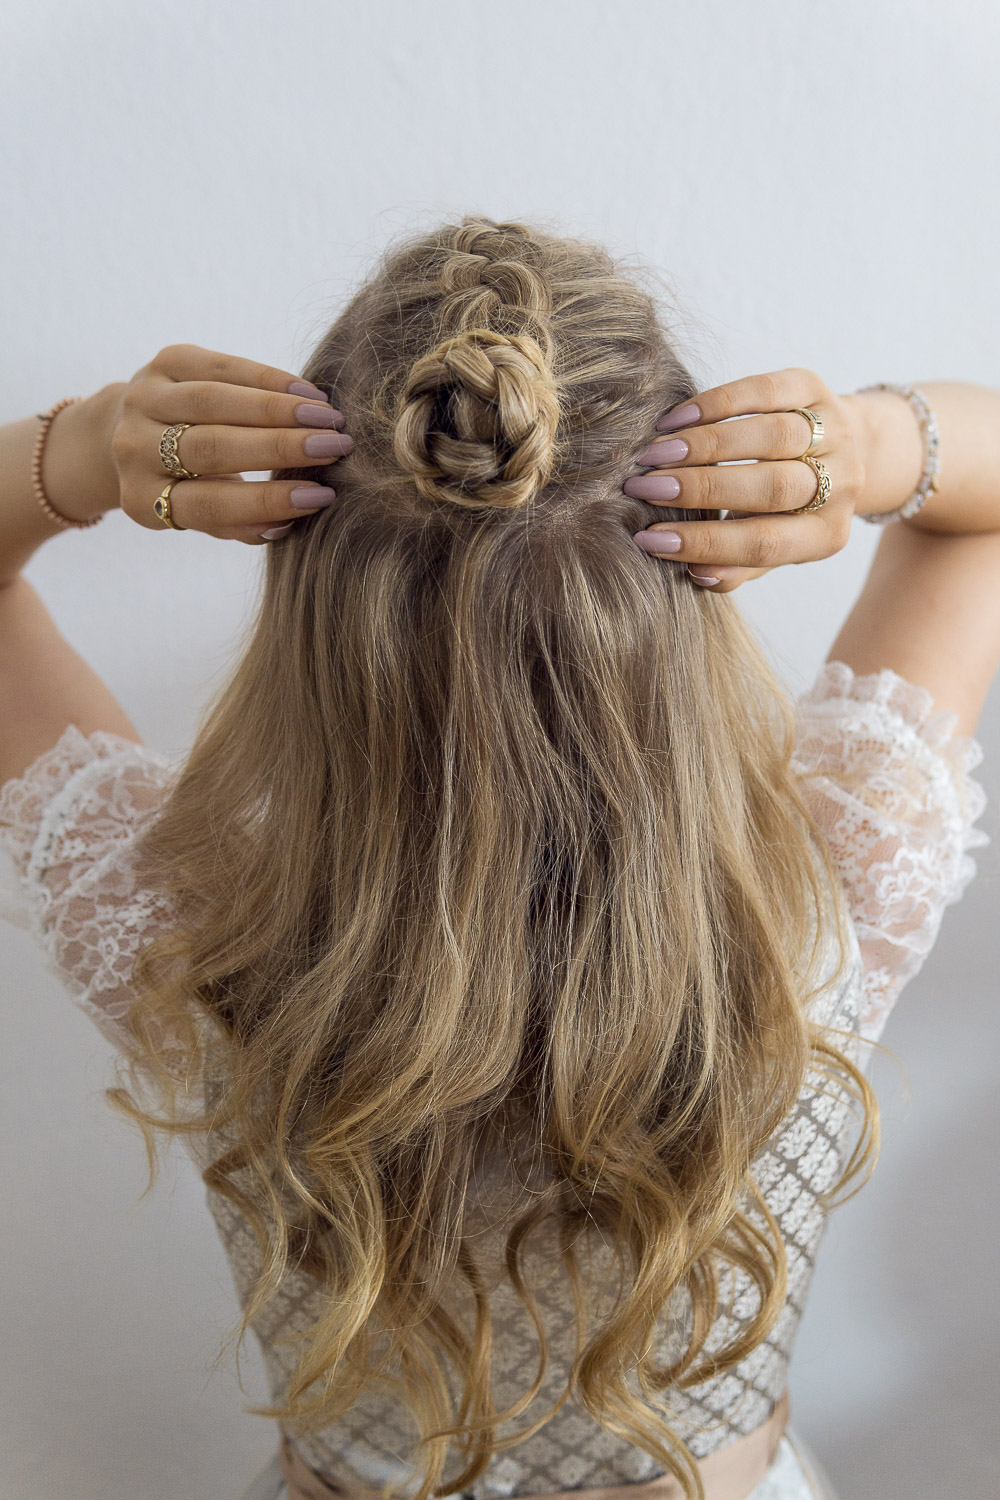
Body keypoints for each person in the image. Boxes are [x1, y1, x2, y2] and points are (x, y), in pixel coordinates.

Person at [0, 216, 994, 1500]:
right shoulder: (832, 890)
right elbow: (972, 520)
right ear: (688, 577)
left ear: (306, 606)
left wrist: (73, 457)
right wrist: (865, 449)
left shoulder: (186, 938)